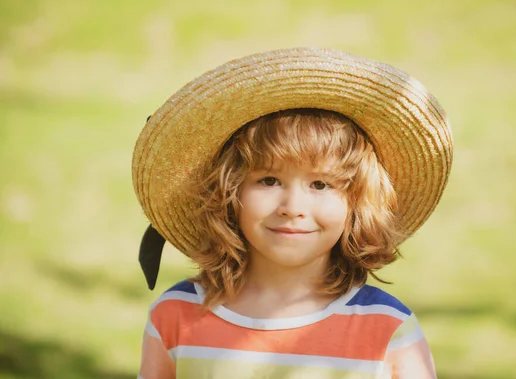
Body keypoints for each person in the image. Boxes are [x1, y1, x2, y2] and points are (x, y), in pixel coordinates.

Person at [132, 47, 453, 379]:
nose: (293, 208)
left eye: (320, 184)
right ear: (228, 191)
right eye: (269, 180)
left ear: (356, 201)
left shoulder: (388, 328)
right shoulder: (175, 315)